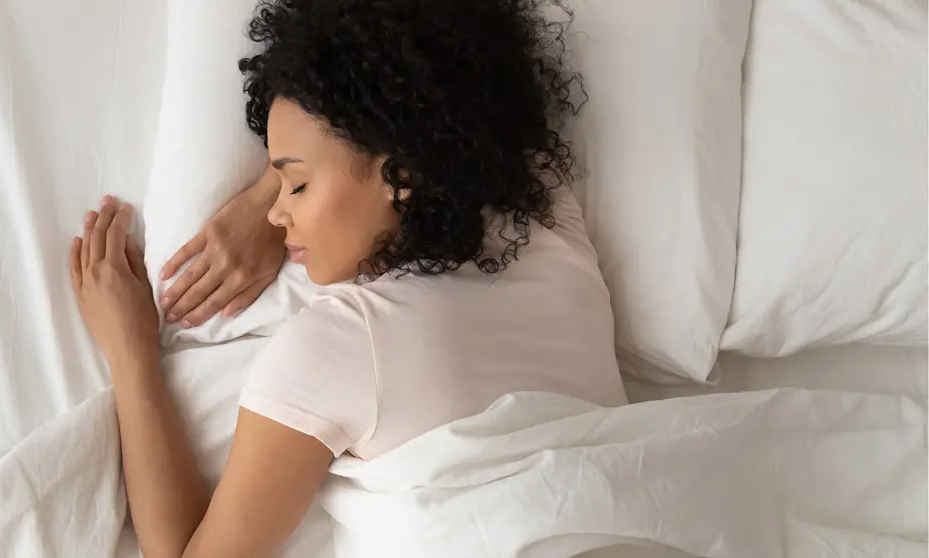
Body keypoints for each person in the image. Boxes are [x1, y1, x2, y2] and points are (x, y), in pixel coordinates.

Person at [68, 0, 627, 556]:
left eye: (297, 185)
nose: (273, 214)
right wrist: (295, 183)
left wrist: (131, 352)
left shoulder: (341, 344)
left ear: (401, 175)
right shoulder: (549, 215)